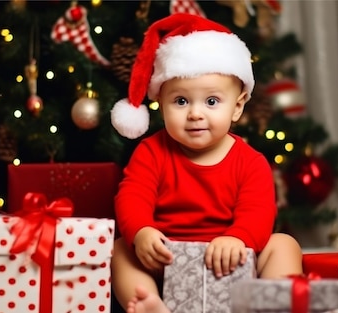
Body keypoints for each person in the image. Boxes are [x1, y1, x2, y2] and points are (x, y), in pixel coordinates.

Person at [109, 13, 303, 313]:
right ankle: (149, 303)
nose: (195, 114)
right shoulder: (151, 151)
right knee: (121, 248)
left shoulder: (250, 162)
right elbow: (133, 195)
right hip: (168, 259)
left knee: (284, 245)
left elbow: (259, 211)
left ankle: (271, 305)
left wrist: (239, 237)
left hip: (232, 261)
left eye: (211, 101)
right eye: (181, 101)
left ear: (237, 107)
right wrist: (142, 232)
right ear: (161, 104)